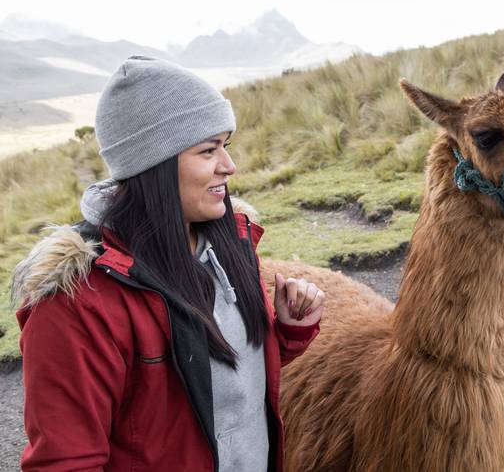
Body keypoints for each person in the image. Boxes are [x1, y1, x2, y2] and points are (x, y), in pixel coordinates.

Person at [11, 55, 323, 471]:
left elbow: (218, 388)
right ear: (153, 164)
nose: (229, 166)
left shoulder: (230, 243)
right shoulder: (77, 304)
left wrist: (285, 334)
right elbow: (65, 462)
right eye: (208, 150)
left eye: (225, 146)